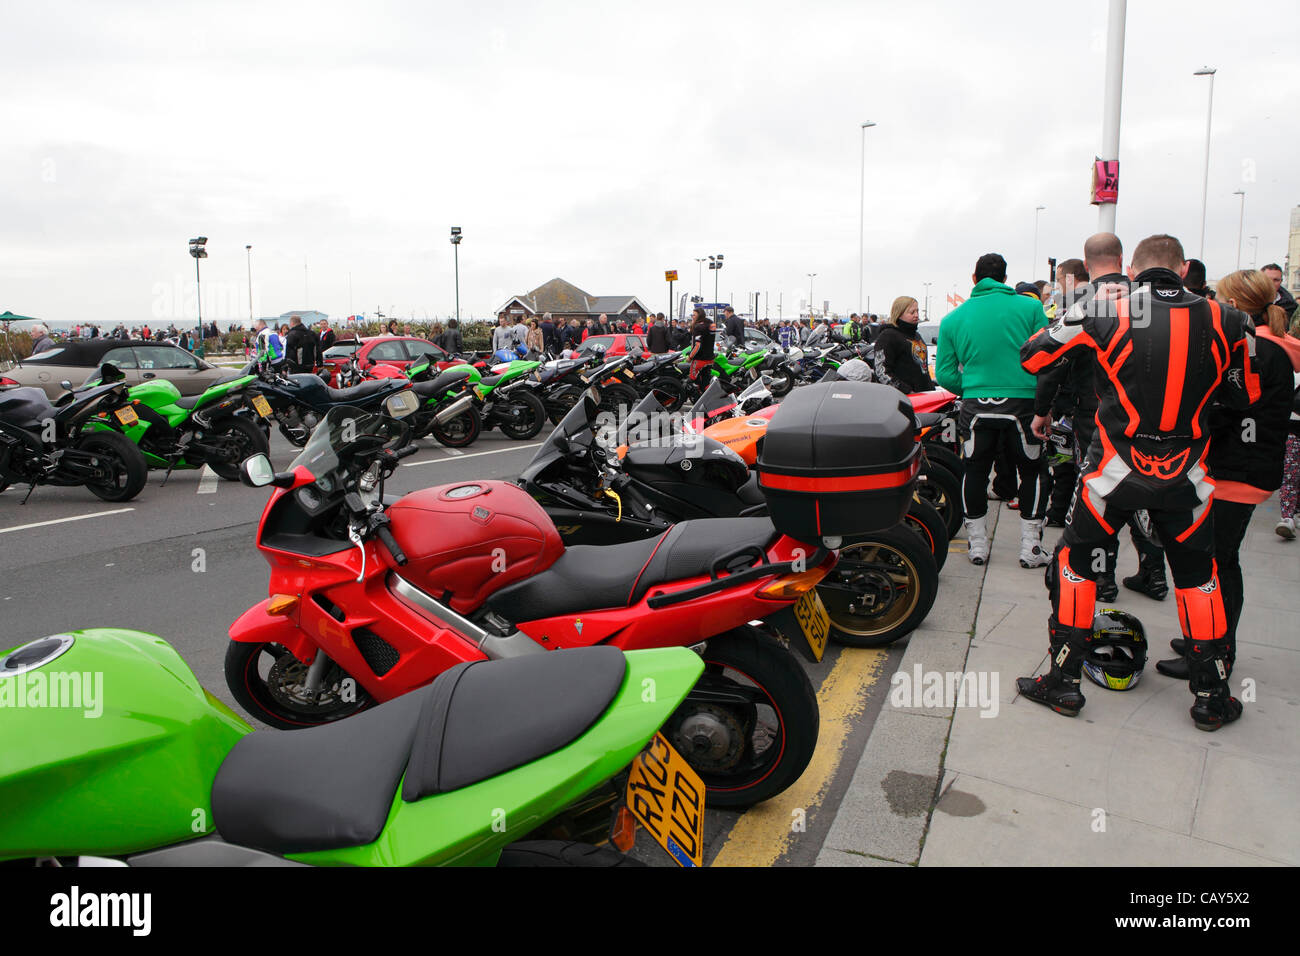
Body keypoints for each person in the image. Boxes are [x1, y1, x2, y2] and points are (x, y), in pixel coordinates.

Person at [1018, 233, 1259, 730]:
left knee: (1075, 564)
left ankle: (1062, 684)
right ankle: (1211, 696)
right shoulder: (1232, 320)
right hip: (1187, 474)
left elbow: (1033, 356)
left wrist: (1082, 315)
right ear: (1184, 266)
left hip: (1114, 471)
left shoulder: (1105, 308)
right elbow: (1246, 396)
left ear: (1133, 270)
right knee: (1199, 576)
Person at [1152, 268, 1300, 680]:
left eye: (1218, 297)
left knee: (1215, 564)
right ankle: (1209, 639)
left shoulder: (1251, 350)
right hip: (1246, 467)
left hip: (1236, 470)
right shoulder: (1269, 347)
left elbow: (1227, 407)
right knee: (1219, 560)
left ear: (1233, 306)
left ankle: (1215, 652)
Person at [935, 252, 1051, 567]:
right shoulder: (1030, 307)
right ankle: (1031, 548)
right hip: (1023, 404)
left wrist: (973, 388)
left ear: (975, 279)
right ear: (1005, 278)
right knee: (1033, 471)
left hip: (976, 406)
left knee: (974, 471)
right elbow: (1049, 358)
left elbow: (944, 375)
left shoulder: (953, 319)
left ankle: (977, 545)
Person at [872, 296, 935, 393]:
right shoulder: (888, 336)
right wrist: (907, 391)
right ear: (899, 313)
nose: (916, 315)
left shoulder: (916, 335)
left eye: (917, 311)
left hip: (925, 396)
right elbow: (881, 371)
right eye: (912, 312)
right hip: (903, 399)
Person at [687, 307, 715, 383]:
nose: (692, 317)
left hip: (699, 359)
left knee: (691, 380)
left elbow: (697, 345)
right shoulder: (710, 323)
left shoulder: (698, 327)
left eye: (694, 315)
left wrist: (690, 357)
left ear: (699, 315)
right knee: (706, 380)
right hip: (710, 358)